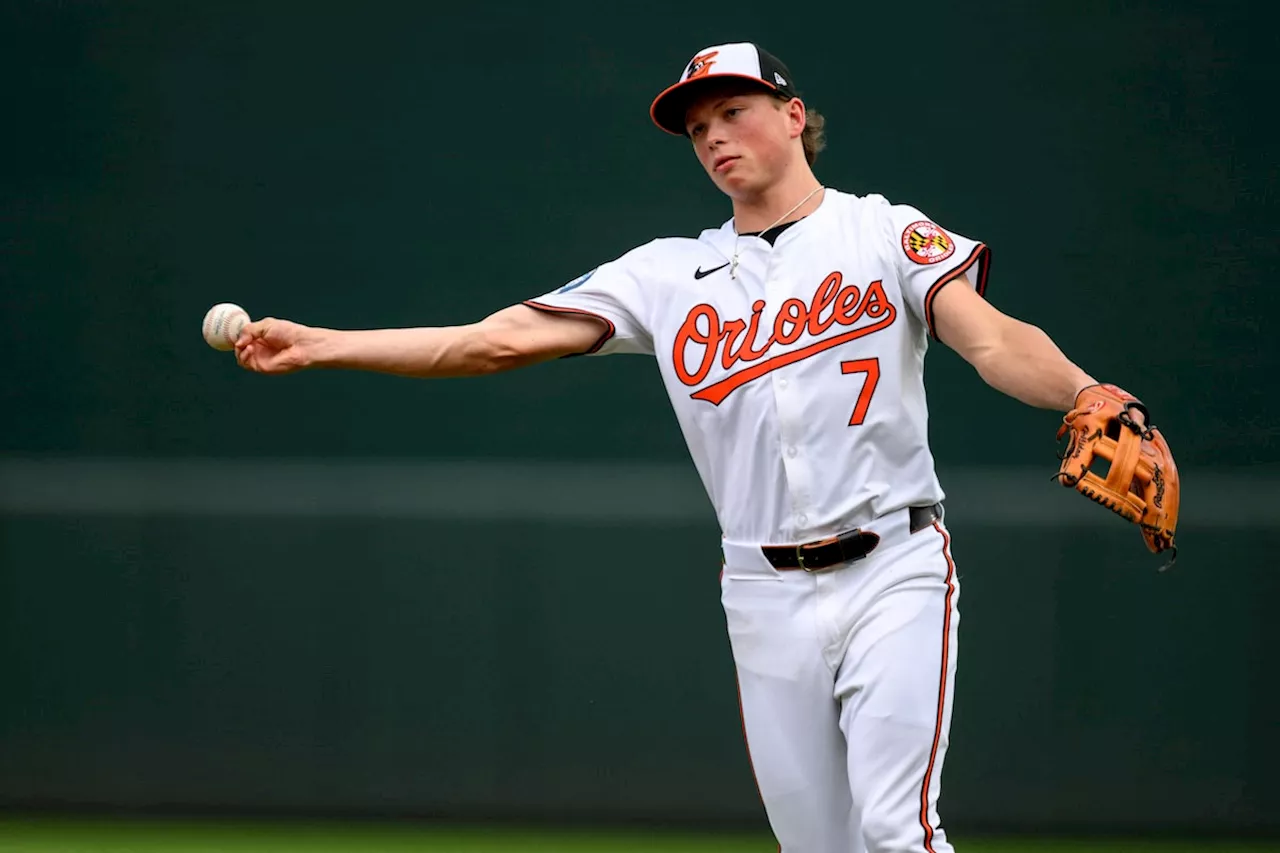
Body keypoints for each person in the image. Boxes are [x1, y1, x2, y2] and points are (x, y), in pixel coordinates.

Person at [233, 42, 1121, 853]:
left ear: (793, 114)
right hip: (761, 590)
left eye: (733, 110)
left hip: (894, 565)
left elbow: (994, 340)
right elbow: (493, 339)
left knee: (897, 830)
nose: (714, 136)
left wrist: (1085, 391)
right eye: (698, 127)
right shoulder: (664, 274)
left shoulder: (882, 232)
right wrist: (322, 343)